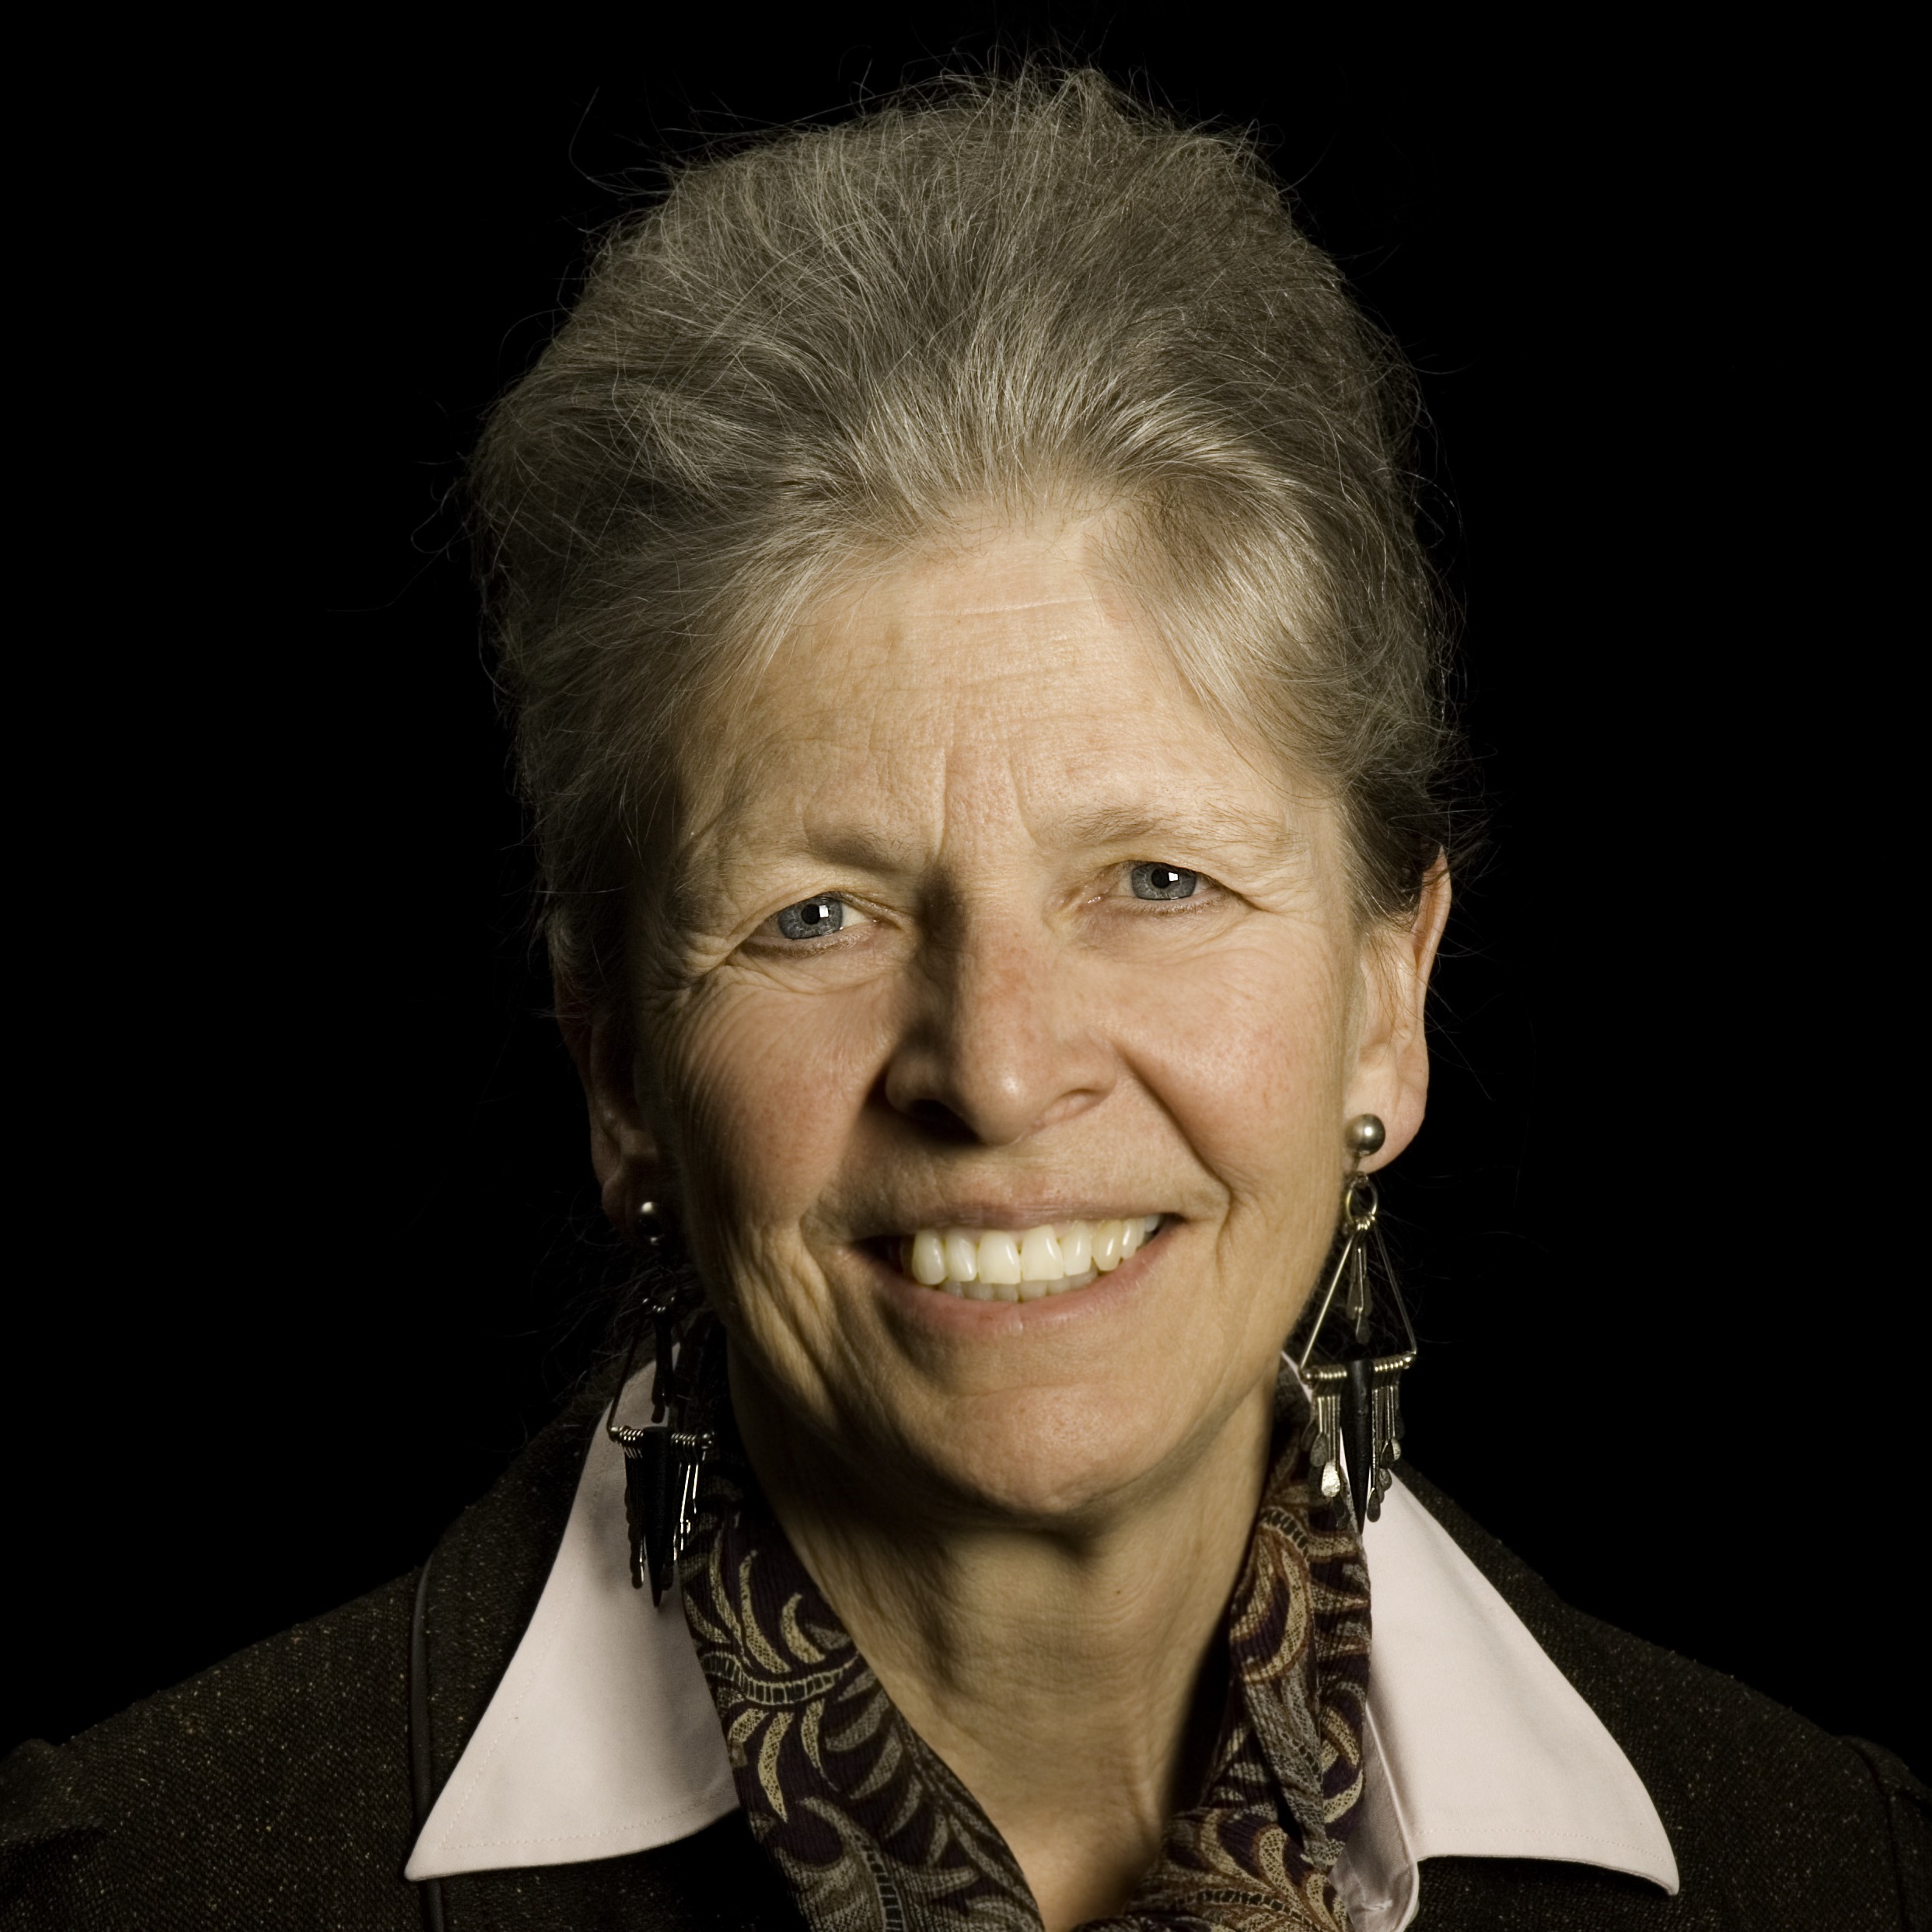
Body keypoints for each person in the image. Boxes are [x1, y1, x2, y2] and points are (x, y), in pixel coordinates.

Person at [2, 68, 1923, 1932]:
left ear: (1382, 1002)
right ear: (619, 1070)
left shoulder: (1831, 1874)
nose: (996, 1069)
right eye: (818, 914)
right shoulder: (137, 1890)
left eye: (1157, 882)